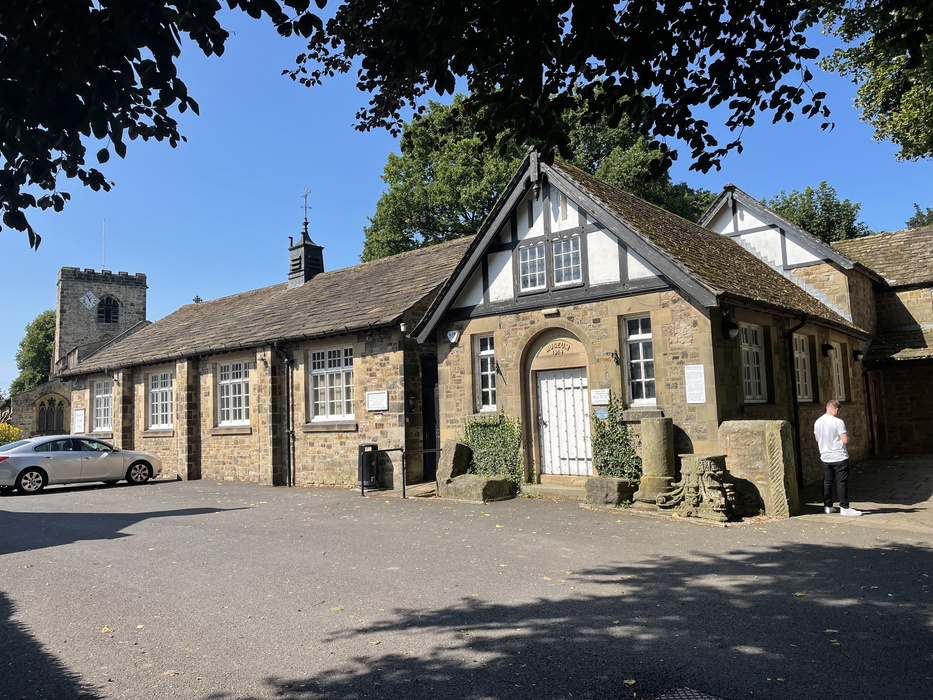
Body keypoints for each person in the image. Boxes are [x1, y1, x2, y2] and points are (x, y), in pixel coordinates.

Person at [814, 400, 862, 516]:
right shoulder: (838, 422)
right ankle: (844, 507)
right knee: (841, 482)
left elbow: (817, 438)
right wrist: (849, 437)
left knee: (827, 481)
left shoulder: (818, 422)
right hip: (839, 456)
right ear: (836, 410)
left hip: (825, 456)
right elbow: (845, 439)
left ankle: (828, 506)